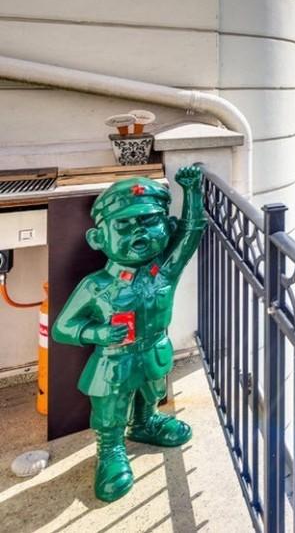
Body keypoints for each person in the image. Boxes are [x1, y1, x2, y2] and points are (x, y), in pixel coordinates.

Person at [52, 166, 206, 502]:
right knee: (111, 407)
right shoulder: (96, 286)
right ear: (99, 238)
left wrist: (192, 191)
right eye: (124, 224)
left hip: (153, 351)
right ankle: (110, 451)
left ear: (167, 226)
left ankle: (146, 423)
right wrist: (99, 332)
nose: (140, 231)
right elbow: (62, 327)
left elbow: (192, 232)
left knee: (151, 391)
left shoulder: (163, 272)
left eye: (149, 221)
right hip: (114, 362)